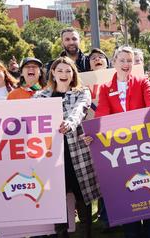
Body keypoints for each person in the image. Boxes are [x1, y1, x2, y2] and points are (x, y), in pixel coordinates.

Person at [91, 46, 150, 238]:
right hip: (121, 151)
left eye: (130, 60)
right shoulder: (105, 88)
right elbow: (101, 114)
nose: (126, 64)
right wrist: (93, 133)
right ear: (114, 62)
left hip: (145, 146)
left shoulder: (142, 81)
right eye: (122, 60)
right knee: (128, 192)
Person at [35, 56, 100, 237]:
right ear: (53, 73)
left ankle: (86, 231)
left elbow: (79, 110)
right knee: (56, 195)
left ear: (73, 74)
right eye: (60, 70)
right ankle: (61, 233)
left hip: (77, 153)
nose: (64, 74)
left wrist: (69, 123)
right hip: (51, 155)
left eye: (68, 70)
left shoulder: (82, 92)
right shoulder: (40, 96)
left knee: (82, 194)